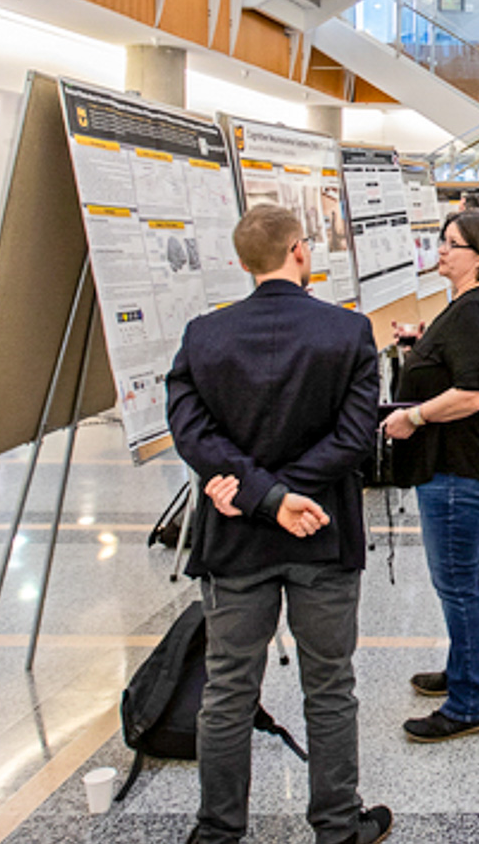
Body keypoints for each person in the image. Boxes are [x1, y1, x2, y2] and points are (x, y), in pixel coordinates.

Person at [165, 205, 389, 844]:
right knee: (330, 684)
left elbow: (192, 434)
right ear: (299, 249)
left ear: (242, 263)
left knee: (229, 688)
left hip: (235, 537)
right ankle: (338, 825)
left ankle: (217, 831)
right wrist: (291, 498)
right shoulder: (347, 333)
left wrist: (263, 496)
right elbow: (353, 437)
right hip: (323, 530)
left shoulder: (202, 337)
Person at [381, 210, 479, 744]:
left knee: (456, 585)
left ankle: (467, 704)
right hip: (462, 464)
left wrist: (411, 416)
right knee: (467, 579)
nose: (441, 250)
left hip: (460, 468)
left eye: (451, 244)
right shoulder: (470, 306)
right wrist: (421, 345)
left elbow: (474, 394)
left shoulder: (473, 311)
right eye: (441, 240)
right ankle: (464, 671)